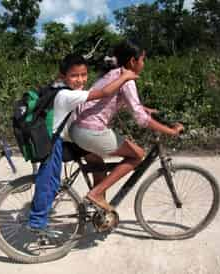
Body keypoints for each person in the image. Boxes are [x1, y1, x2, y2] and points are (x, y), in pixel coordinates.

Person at [28, 53, 138, 232]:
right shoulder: (66, 95)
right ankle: (95, 197)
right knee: (50, 181)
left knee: (97, 162)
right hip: (60, 142)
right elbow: (104, 92)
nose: (80, 80)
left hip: (66, 138)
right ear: (63, 76)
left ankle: (99, 205)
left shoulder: (60, 88)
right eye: (74, 75)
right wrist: (125, 76)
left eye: (84, 74)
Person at [69, 40, 184, 212]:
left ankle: (99, 213)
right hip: (91, 132)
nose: (143, 64)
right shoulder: (126, 79)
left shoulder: (111, 73)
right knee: (137, 155)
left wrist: (144, 108)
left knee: (99, 167)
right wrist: (170, 131)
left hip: (76, 130)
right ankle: (96, 194)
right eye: (142, 60)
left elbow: (113, 100)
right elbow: (141, 119)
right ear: (132, 61)